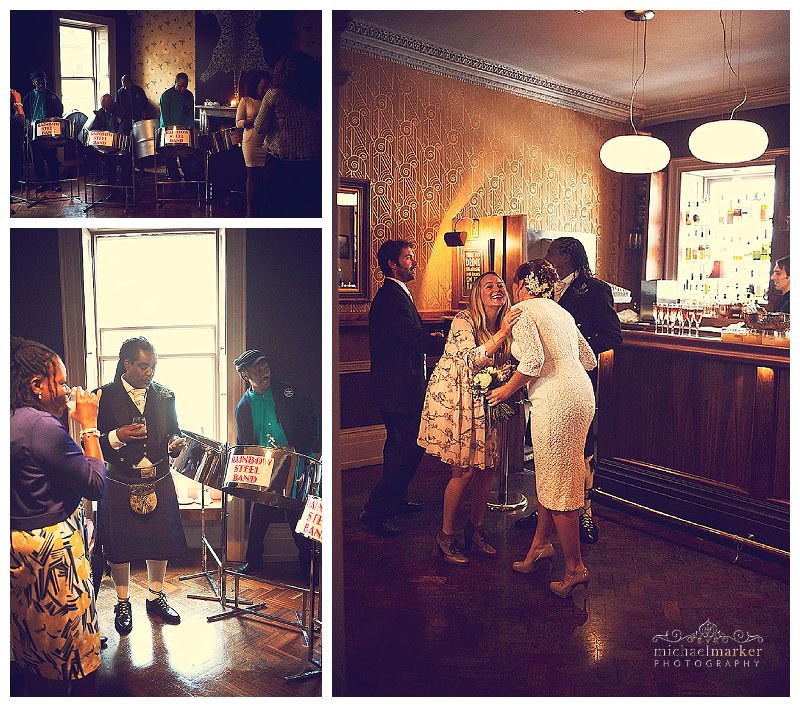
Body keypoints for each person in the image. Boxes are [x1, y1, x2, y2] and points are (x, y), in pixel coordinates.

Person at [487, 260, 597, 599]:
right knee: (555, 475)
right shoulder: (559, 312)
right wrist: (561, 364)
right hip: (581, 394)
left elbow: (532, 362)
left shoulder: (521, 311)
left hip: (557, 401)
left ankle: (575, 568)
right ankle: (539, 546)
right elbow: (589, 358)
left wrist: (505, 390)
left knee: (558, 481)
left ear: (522, 283)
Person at [11, 337, 106, 696]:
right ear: (37, 385)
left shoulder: (14, 420)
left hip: (19, 547)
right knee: (76, 655)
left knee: (35, 644)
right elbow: (95, 484)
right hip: (54, 555)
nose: (68, 391)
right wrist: (90, 426)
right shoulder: (41, 427)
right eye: (62, 382)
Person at [515, 237, 622, 544]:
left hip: (573, 384)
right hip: (544, 388)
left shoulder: (595, 289)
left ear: (566, 255)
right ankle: (545, 510)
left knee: (580, 453)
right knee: (545, 453)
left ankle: (585, 513)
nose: (547, 258)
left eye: (550, 253)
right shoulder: (546, 292)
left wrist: (571, 355)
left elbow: (612, 336)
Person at [418, 272, 522, 564]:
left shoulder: (508, 322)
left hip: (487, 399)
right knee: (462, 472)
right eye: (489, 285)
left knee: (487, 468)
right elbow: (469, 360)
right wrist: (501, 334)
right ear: (478, 293)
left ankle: (475, 531)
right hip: (459, 400)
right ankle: (445, 536)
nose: (497, 288)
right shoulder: (464, 320)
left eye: (500, 285)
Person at [95, 337, 188, 635]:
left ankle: (155, 597)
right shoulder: (103, 396)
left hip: (159, 478)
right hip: (119, 479)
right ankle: (122, 602)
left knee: (160, 540)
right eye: (144, 366)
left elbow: (174, 432)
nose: (150, 373)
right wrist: (117, 435)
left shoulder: (166, 395)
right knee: (119, 546)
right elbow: (91, 444)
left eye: (154, 366)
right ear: (127, 364)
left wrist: (175, 444)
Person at [360, 240, 445, 536]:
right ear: (393, 264)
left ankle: (395, 499)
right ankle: (374, 511)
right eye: (408, 257)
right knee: (405, 449)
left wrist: (427, 335)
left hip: (396, 388)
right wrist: (443, 341)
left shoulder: (395, 295)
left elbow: (407, 335)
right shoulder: (392, 297)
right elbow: (409, 337)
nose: (414, 262)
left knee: (401, 447)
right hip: (398, 390)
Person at [232, 350, 320, 579]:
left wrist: (295, 446)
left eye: (265, 367)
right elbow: (244, 442)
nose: (264, 372)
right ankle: (254, 561)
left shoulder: (286, 392)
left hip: (294, 460)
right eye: (257, 369)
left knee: (297, 513)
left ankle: (309, 563)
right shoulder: (243, 406)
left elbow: (311, 420)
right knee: (259, 514)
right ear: (245, 375)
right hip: (265, 467)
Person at [253, 51, 321, 217]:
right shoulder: (315, 95)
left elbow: (260, 127)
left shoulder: (274, 94)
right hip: (311, 163)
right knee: (302, 210)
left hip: (280, 162)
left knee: (274, 208)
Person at [21, 70, 63, 193]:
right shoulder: (28, 97)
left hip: (48, 130)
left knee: (51, 158)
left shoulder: (52, 96)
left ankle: (56, 183)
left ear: (45, 81)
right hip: (33, 131)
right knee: (37, 159)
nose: (40, 83)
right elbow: (24, 115)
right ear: (33, 82)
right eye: (38, 81)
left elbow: (59, 110)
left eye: (42, 81)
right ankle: (42, 183)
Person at [236, 70, 270, 217]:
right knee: (252, 175)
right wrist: (255, 121)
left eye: (267, 87)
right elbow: (238, 123)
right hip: (250, 142)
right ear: (255, 85)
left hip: (266, 143)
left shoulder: (268, 100)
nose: (264, 90)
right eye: (262, 87)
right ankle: (249, 209)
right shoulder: (246, 101)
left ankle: (263, 207)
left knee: (265, 176)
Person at [86, 93, 132, 191]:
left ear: (112, 103)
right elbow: (95, 128)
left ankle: (127, 191)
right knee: (109, 168)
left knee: (126, 168)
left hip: (120, 144)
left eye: (108, 107)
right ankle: (113, 191)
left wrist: (117, 136)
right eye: (104, 107)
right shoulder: (101, 112)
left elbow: (125, 127)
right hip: (107, 146)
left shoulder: (121, 110)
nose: (106, 109)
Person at [158, 72, 200, 181]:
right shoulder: (166, 96)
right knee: (171, 157)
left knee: (185, 157)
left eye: (185, 86)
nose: (182, 89)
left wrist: (187, 130)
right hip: (169, 132)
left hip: (183, 132)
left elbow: (190, 115)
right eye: (180, 86)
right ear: (175, 82)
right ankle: (175, 181)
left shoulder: (189, 95)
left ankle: (188, 180)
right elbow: (165, 116)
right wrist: (172, 131)